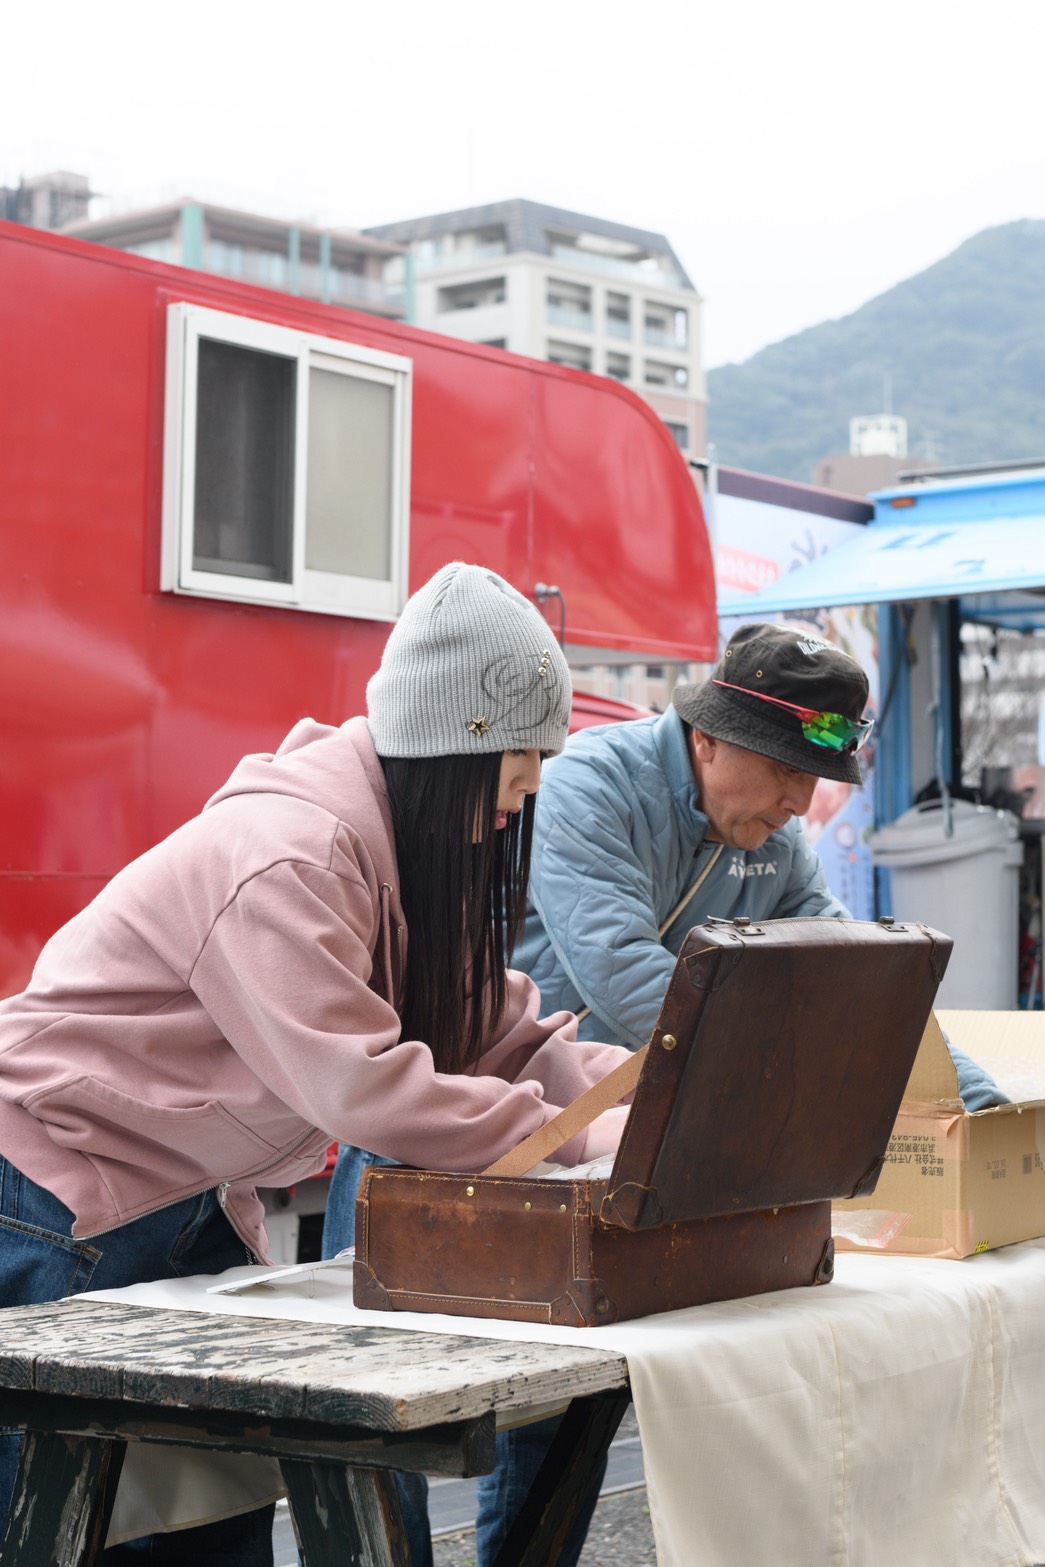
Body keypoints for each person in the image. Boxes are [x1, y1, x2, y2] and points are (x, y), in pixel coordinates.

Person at [0, 562, 633, 1566]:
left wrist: (644, 1090)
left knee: (209, 1533)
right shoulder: (290, 853)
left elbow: (503, 1035)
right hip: (55, 1191)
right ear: (451, 747)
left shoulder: (411, 855)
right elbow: (363, 1088)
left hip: (182, 1195)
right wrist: (571, 1137)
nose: (528, 790)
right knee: (89, 1536)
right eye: (518, 763)